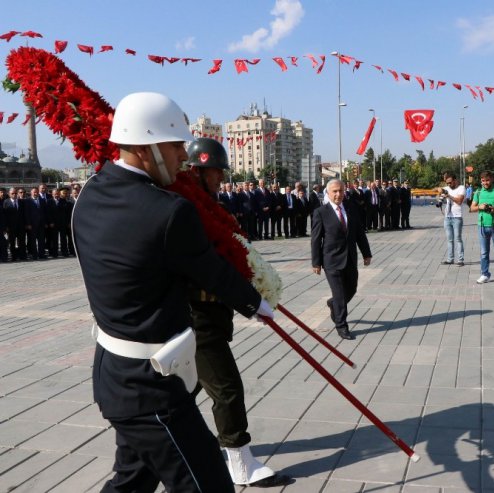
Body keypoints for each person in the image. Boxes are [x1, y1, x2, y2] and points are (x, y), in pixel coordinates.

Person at [72, 92, 274, 492]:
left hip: (113, 373)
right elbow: (210, 270)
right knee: (209, 486)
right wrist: (258, 303)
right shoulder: (167, 211)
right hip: (151, 389)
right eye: (176, 144)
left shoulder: (89, 195)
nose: (183, 155)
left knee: (131, 482)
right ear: (148, 148)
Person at [185, 138, 291, 487]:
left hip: (212, 315)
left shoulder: (208, 206)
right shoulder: (188, 209)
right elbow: (209, 267)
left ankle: (158, 447)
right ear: (198, 171)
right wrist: (251, 299)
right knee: (227, 389)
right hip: (195, 318)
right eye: (216, 171)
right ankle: (240, 462)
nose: (221, 178)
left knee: (183, 392)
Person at [311, 179, 372, 340]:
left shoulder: (351, 208)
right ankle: (341, 325)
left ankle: (333, 304)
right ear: (328, 193)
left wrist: (366, 253)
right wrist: (316, 262)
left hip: (350, 258)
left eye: (341, 191)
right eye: (335, 192)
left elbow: (359, 232)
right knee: (339, 295)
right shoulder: (321, 212)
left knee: (351, 289)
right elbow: (316, 239)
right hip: (331, 260)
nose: (338, 194)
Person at [470, 170, 494, 285]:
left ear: (491, 179)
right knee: (483, 252)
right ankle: (484, 274)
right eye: (483, 181)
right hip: (482, 225)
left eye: (487, 180)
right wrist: (480, 207)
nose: (485, 183)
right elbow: (472, 208)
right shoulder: (478, 192)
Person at [439, 172, 466, 266]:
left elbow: (459, 201)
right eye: (447, 183)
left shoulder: (461, 188)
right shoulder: (446, 188)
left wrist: (449, 196)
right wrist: (439, 195)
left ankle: (460, 260)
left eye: (450, 182)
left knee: (458, 238)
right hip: (447, 217)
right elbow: (438, 195)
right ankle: (450, 259)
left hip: (457, 217)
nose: (449, 185)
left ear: (455, 180)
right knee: (449, 239)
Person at [24, 186, 47, 260]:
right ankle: (34, 255)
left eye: (36, 192)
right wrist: (28, 224)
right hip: (32, 224)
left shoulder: (42, 200)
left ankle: (41, 254)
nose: (35, 193)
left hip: (41, 224)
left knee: (41, 240)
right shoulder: (27, 201)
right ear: (31, 193)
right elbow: (26, 213)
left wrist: (45, 222)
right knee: (33, 241)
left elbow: (45, 212)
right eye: (34, 192)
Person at [4, 188, 26, 261]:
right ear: (9, 194)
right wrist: (6, 226)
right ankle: (14, 257)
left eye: (15, 193)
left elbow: (24, 214)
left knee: (22, 242)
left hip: (21, 226)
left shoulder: (21, 202)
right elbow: (5, 215)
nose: (14, 195)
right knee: (12, 242)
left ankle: (22, 256)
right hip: (11, 226)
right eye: (12, 193)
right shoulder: (6, 202)